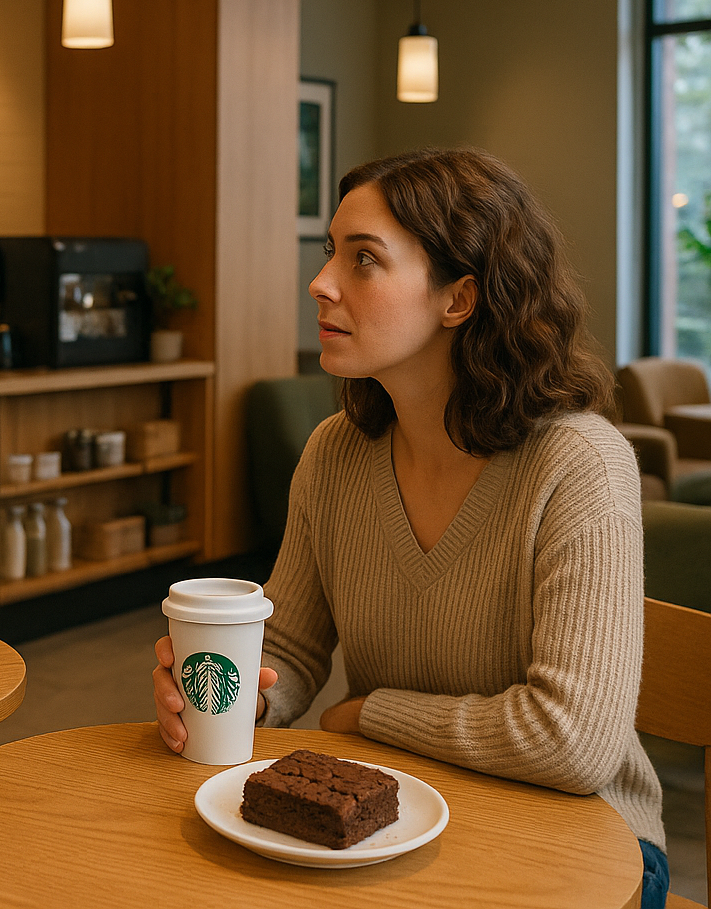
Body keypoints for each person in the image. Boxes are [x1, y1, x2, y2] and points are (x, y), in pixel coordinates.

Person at [151, 148, 670, 908]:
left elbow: (574, 741)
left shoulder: (580, 464)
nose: (320, 282)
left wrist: (371, 714)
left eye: (363, 260)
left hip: (588, 847)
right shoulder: (335, 454)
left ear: (458, 299)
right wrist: (229, 692)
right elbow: (290, 649)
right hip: (392, 826)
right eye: (331, 252)